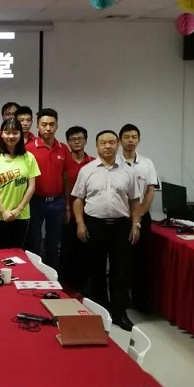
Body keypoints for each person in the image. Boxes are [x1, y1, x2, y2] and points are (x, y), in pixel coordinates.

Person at [72, 130, 142, 331]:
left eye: (112, 142)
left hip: (120, 226)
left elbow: (134, 200)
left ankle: (120, 313)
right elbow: (78, 199)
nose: (108, 146)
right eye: (103, 143)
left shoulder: (127, 171)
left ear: (117, 145)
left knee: (120, 270)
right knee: (96, 269)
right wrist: (80, 223)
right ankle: (101, 311)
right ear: (97, 146)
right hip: (95, 224)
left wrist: (135, 224)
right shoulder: (87, 170)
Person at [119, 123, 159, 314]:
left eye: (134, 137)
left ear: (139, 140)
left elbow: (151, 191)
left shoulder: (147, 163)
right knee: (122, 260)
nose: (130, 141)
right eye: (127, 137)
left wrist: (140, 214)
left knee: (142, 260)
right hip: (121, 217)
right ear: (120, 140)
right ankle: (122, 300)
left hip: (143, 216)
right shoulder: (115, 162)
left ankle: (141, 301)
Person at [0, 117, 40, 249]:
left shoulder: (29, 157)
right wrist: (3, 212)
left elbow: (31, 187)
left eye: (15, 133)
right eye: (7, 132)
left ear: (21, 134)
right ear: (1, 134)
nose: (11, 136)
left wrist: (18, 210)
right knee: (0, 252)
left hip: (21, 214)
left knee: (18, 252)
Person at [25, 108, 69, 270]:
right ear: (37, 127)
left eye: (52, 124)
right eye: (44, 125)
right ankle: (35, 274)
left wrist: (67, 205)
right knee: (34, 241)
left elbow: (66, 178)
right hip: (35, 201)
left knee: (54, 242)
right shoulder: (29, 148)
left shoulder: (63, 148)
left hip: (57, 202)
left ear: (57, 126)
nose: (48, 128)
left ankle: (53, 275)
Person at [59, 126, 95, 292]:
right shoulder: (64, 162)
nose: (77, 142)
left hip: (88, 213)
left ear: (86, 140)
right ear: (68, 142)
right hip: (67, 212)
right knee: (67, 250)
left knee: (86, 251)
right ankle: (66, 288)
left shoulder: (94, 163)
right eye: (73, 139)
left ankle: (84, 289)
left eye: (80, 138)